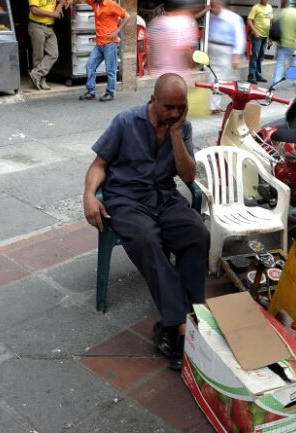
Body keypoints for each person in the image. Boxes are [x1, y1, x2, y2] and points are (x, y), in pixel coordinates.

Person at [82, 73, 209, 370]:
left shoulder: (183, 127)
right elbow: (99, 164)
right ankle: (179, 325)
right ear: (153, 100)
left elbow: (189, 177)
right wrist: (89, 194)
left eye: (181, 107)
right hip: (126, 200)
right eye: (168, 107)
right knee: (147, 242)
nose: (174, 113)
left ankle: (193, 313)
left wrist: (176, 134)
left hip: (163, 197)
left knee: (197, 233)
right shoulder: (126, 122)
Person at [79, 0, 130, 102]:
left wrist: (117, 31)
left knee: (110, 70)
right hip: (99, 43)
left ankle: (110, 93)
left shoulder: (111, 4)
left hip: (110, 43)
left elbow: (127, 16)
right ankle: (91, 92)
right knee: (90, 65)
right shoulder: (94, 3)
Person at [207, 0, 245, 113]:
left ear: (222, 4)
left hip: (225, 50)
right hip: (212, 49)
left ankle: (214, 106)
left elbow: (239, 37)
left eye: (215, 4)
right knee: (212, 76)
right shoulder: (211, 16)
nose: (213, 7)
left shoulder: (233, 18)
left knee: (220, 79)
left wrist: (237, 54)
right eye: (212, 5)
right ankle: (214, 105)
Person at [147, 0, 199, 81]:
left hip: (158, 76)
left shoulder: (155, 23)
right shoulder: (185, 22)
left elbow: (150, 48)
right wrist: (191, 69)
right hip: (177, 77)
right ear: (180, 9)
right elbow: (188, 51)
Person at [27, 0, 70, 90]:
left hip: (49, 28)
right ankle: (41, 80)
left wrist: (60, 5)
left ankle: (36, 74)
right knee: (38, 56)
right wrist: (53, 14)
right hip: (37, 26)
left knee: (54, 54)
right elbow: (34, 10)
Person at [271, 0, 296, 89]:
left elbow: (273, 20)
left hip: (281, 43)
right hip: (292, 44)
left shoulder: (282, 12)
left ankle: (276, 83)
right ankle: (293, 82)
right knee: (293, 63)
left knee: (279, 63)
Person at [247, 0, 273, 83]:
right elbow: (249, 20)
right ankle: (251, 76)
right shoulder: (256, 7)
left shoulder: (270, 7)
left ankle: (258, 75)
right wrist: (255, 31)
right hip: (257, 36)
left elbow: (270, 22)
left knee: (261, 57)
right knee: (255, 56)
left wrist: (270, 36)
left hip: (265, 36)